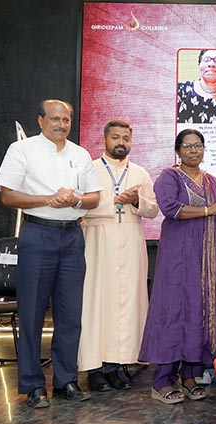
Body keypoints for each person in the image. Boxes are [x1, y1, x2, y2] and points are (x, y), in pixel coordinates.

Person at [0, 99, 102, 408]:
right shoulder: (22, 150)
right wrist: (48, 199)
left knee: (70, 315)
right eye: (55, 119)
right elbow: (7, 196)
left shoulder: (80, 154)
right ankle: (33, 385)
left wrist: (76, 200)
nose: (61, 125)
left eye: (66, 120)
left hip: (72, 237)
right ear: (41, 121)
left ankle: (66, 380)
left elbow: (94, 197)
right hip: (38, 234)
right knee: (31, 314)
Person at [139, 129, 216, 405]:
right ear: (178, 150)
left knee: (199, 312)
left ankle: (190, 376)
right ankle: (162, 380)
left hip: (206, 262)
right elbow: (171, 209)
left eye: (198, 146)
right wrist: (209, 210)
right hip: (178, 260)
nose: (194, 150)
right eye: (188, 146)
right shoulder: (169, 177)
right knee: (174, 312)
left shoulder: (213, 182)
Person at [78, 120, 158, 392]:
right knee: (97, 304)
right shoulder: (90, 169)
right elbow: (80, 205)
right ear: (104, 139)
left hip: (131, 244)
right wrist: (114, 200)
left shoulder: (139, 173)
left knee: (125, 304)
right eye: (116, 137)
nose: (121, 142)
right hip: (98, 243)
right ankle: (94, 369)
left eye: (126, 138)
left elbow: (153, 210)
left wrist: (135, 201)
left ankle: (115, 366)